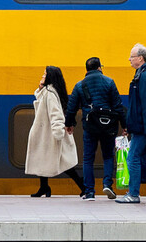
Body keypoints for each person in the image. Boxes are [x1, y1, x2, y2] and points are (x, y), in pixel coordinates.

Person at [65, 56, 124, 199]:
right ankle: (107, 185)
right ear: (99, 68)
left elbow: (71, 108)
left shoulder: (80, 85)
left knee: (88, 158)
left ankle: (90, 191)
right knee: (108, 156)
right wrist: (125, 125)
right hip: (109, 126)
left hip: (90, 126)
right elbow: (118, 106)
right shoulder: (109, 82)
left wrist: (69, 124)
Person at [25, 66, 81, 197]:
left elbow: (56, 114)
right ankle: (44, 187)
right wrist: (39, 88)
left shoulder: (50, 93)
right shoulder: (48, 91)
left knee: (63, 163)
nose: (42, 76)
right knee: (43, 159)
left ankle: (82, 185)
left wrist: (58, 132)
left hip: (49, 134)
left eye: (45, 74)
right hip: (45, 133)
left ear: (50, 76)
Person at [118, 43, 146, 204]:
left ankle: (133, 193)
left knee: (133, 157)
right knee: (142, 157)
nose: (129, 59)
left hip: (143, 127)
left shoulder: (143, 76)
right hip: (143, 125)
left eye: (132, 56)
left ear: (140, 58)